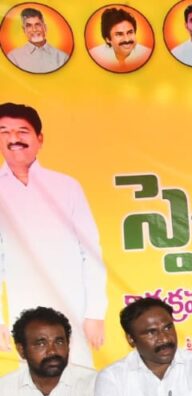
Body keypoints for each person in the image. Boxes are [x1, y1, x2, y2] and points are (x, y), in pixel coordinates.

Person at [0, 103, 107, 367]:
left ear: (40, 139)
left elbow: (90, 250)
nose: (14, 139)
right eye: (4, 132)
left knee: (79, 377)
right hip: (22, 306)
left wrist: (95, 312)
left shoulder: (66, 186)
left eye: (22, 131)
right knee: (31, 379)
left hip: (72, 306)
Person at [88, 6, 152, 72]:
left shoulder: (146, 54)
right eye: (119, 34)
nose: (127, 39)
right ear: (108, 39)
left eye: (130, 32)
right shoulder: (95, 55)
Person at [6, 8, 69, 74]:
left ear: (45, 27)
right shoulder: (13, 57)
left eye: (37, 24)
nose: (34, 29)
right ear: (24, 30)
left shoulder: (62, 57)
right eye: (29, 26)